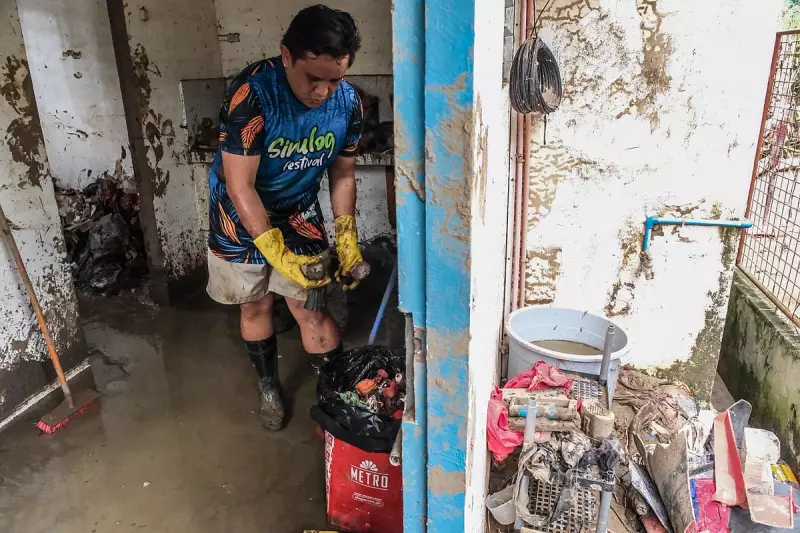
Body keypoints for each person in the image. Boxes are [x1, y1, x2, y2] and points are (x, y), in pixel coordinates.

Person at [205, 5, 365, 431]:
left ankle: (336, 397)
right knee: (255, 303)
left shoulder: (348, 104)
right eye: (314, 78)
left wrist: (347, 237)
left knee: (310, 306)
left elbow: (343, 174)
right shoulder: (253, 96)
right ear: (287, 55)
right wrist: (275, 252)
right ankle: (268, 387)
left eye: (336, 79)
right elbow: (241, 187)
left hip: (298, 213)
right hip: (237, 215)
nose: (324, 92)